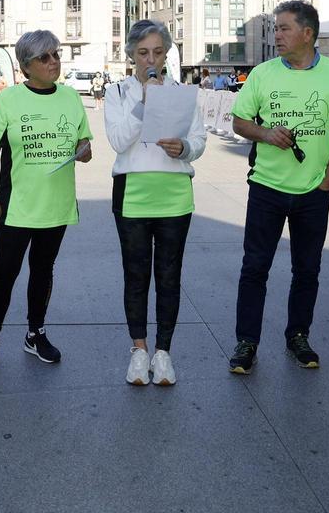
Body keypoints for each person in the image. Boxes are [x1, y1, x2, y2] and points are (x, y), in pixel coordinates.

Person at [228, 1, 329, 374]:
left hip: (313, 193)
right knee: (255, 267)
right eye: (276, 28)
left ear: (307, 33)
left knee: (307, 270)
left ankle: (298, 336)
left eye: (284, 28)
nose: (278, 35)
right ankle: (247, 342)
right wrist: (266, 134)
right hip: (267, 188)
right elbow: (240, 121)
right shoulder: (262, 74)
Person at [0, 30, 92, 374]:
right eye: (45, 57)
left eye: (55, 55)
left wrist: (83, 151)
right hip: (17, 206)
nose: (53, 62)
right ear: (26, 66)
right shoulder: (9, 100)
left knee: (43, 271)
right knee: (4, 274)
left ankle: (35, 333)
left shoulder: (70, 98)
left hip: (56, 206)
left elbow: (85, 148)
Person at [105, 20, 206, 386]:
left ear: (166, 54)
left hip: (174, 193)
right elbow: (117, 142)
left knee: (168, 276)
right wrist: (143, 104)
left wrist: (186, 148)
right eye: (143, 52)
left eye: (158, 52)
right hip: (132, 192)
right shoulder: (117, 91)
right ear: (131, 54)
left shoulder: (182, 92)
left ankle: (163, 353)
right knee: (135, 276)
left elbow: (198, 138)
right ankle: (139, 350)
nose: (151, 59)